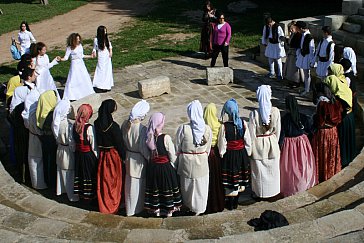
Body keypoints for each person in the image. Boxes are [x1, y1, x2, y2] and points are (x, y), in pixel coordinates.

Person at [176, 100, 212, 215]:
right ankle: (200, 208)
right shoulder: (207, 129)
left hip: (186, 162)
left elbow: (177, 146)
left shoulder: (183, 128)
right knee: (201, 187)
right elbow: (208, 148)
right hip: (201, 162)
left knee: (187, 186)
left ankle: (189, 207)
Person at [144, 112, 182, 217]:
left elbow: (148, 155)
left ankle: (156, 210)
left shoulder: (148, 137)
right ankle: (168, 210)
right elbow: (172, 155)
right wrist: (174, 166)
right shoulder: (166, 138)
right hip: (165, 168)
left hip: (153, 168)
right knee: (166, 188)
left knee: (156, 189)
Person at [279, 95, 317, 197]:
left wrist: (279, 148)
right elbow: (310, 130)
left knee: (290, 169)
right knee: (304, 165)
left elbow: (281, 136)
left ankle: (292, 188)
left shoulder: (284, 119)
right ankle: (304, 184)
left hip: (289, 147)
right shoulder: (303, 117)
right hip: (303, 143)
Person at [248, 85, 281, 199]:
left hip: (258, 144)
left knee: (259, 171)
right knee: (273, 169)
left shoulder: (254, 114)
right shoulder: (276, 111)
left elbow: (251, 134)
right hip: (271, 141)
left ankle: (259, 193)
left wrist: (251, 148)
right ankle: (273, 192)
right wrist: (274, 141)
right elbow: (278, 130)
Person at [218, 99, 251, 210]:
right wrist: (248, 153)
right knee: (239, 177)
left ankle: (231, 203)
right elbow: (248, 140)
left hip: (230, 156)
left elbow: (222, 144)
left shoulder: (224, 127)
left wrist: (222, 154)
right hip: (241, 154)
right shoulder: (243, 123)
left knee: (231, 178)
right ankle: (235, 202)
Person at [121, 100, 150, 216]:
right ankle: (136, 209)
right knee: (137, 186)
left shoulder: (125, 124)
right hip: (138, 160)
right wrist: (149, 158)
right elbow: (143, 148)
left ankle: (129, 207)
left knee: (129, 184)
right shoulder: (142, 129)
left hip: (129, 157)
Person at [8, 67, 37, 184]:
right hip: (23, 125)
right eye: (34, 74)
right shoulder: (22, 90)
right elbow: (14, 108)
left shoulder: (30, 88)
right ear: (29, 77)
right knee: (24, 150)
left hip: (26, 123)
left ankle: (27, 175)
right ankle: (24, 176)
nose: (36, 76)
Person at [94, 99, 124, 214]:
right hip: (113, 155)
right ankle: (113, 204)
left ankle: (104, 202)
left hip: (103, 154)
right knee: (114, 180)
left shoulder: (97, 124)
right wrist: (123, 156)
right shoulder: (113, 126)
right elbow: (119, 144)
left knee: (104, 180)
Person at [323, 63, 355, 167]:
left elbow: (326, 82)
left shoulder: (334, 81)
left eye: (330, 72)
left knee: (343, 141)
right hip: (349, 117)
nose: (328, 74)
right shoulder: (343, 82)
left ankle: (343, 161)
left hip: (344, 118)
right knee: (348, 140)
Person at [311, 83, 342, 182]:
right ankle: (331, 171)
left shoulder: (322, 103)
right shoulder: (335, 101)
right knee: (331, 153)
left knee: (323, 154)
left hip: (324, 133)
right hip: (333, 131)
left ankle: (323, 174)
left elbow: (319, 121)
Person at [52, 100, 78, 201]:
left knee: (60, 170)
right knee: (69, 173)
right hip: (67, 151)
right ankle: (71, 195)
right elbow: (71, 142)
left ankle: (61, 190)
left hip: (60, 148)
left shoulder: (56, 123)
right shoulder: (69, 126)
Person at [22, 87, 47, 189]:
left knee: (33, 160)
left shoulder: (29, 115)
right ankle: (39, 184)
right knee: (38, 161)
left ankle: (35, 183)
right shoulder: (36, 116)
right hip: (37, 138)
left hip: (32, 137)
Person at [58, 33, 95, 101]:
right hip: (74, 65)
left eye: (79, 39)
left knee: (83, 77)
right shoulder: (69, 48)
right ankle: (72, 95)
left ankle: (85, 93)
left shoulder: (80, 46)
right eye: (77, 39)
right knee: (73, 79)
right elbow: (66, 57)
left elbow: (82, 55)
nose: (78, 40)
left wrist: (90, 56)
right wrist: (60, 59)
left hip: (81, 64)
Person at [73, 104, 98, 201]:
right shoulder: (89, 128)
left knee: (80, 173)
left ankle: (81, 194)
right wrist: (97, 157)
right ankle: (90, 195)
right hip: (88, 155)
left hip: (79, 155)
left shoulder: (75, 126)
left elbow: (72, 142)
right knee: (89, 174)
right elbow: (93, 145)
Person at [203, 103, 224, 214]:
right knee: (216, 179)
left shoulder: (202, 126)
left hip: (206, 155)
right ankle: (218, 202)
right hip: (215, 154)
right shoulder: (219, 125)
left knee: (207, 180)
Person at [36, 90, 58, 189]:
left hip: (44, 141)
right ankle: (52, 183)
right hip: (52, 143)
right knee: (52, 163)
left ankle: (47, 180)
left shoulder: (41, 113)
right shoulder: (52, 116)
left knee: (46, 160)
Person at [295, 21, 315, 96]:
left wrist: (311, 61)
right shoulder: (302, 35)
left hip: (307, 57)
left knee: (307, 74)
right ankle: (306, 88)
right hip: (303, 55)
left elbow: (311, 50)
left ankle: (307, 90)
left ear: (301, 28)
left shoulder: (309, 37)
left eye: (297, 28)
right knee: (305, 73)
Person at [92, 26, 114, 93]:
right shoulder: (96, 40)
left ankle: (106, 85)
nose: (105, 33)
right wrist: (94, 52)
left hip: (106, 55)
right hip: (101, 56)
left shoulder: (106, 38)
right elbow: (94, 48)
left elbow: (109, 46)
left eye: (106, 31)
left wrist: (110, 51)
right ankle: (100, 85)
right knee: (101, 70)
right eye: (104, 31)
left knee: (107, 70)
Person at [283, 21, 302, 86]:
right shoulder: (293, 34)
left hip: (295, 53)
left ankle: (296, 81)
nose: (291, 30)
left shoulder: (299, 35)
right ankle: (291, 80)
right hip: (291, 52)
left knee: (295, 69)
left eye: (292, 29)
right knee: (290, 68)